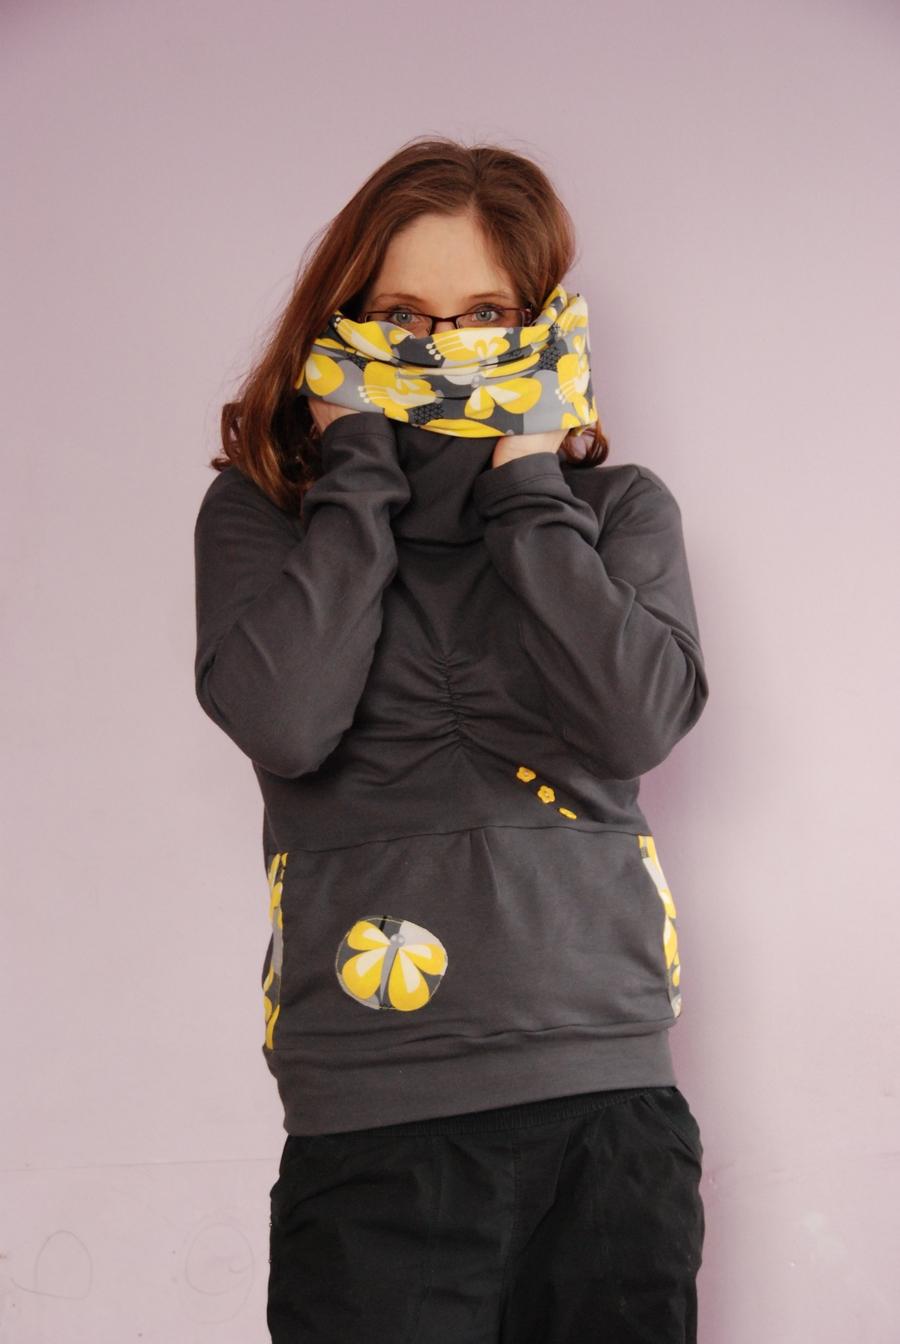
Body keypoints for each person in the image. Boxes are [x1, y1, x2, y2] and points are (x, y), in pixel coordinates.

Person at [192, 135, 710, 1343]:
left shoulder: (618, 512)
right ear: (342, 323)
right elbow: (284, 720)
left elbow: (635, 720)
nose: (444, 347)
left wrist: (528, 479)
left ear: (541, 324)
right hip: (372, 1111)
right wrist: (358, 472)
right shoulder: (263, 518)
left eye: (485, 315)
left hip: (607, 1100)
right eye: (402, 318)